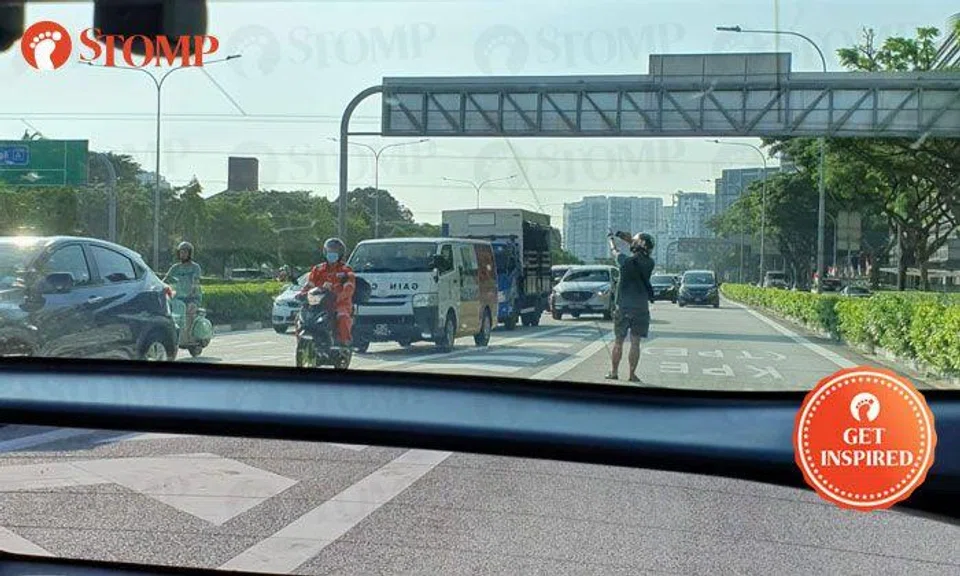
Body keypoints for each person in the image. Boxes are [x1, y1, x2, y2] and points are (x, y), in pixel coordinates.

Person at [606, 231, 656, 383]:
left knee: (618, 341)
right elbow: (639, 249)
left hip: (623, 307)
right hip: (641, 307)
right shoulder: (650, 263)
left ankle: (614, 372)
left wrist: (612, 240)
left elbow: (615, 252)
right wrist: (629, 239)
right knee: (635, 343)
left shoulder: (625, 261)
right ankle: (632, 374)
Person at [300, 237, 356, 346]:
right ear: (325, 252)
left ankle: (343, 343)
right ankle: (303, 342)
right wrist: (302, 294)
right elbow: (309, 285)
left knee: (342, 316)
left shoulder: (346, 270)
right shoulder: (317, 269)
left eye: (335, 251)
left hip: (339, 303)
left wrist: (339, 296)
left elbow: (349, 287)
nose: (332, 254)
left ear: (340, 253)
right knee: (302, 317)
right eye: (330, 251)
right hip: (319, 303)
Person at [163, 241, 202, 343]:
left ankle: (189, 336)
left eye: (185, 252)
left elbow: (195, 281)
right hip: (177, 298)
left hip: (192, 298)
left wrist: (193, 291)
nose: (183, 254)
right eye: (181, 252)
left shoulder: (195, 267)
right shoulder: (175, 268)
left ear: (190, 253)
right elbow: (165, 280)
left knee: (190, 311)